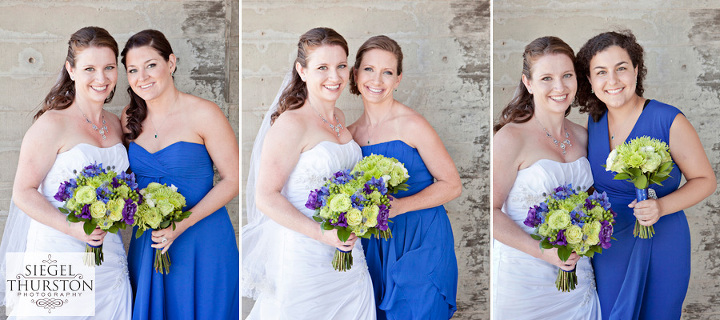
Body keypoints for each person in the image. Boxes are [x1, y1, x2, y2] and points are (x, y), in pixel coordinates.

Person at [577, 30, 716, 320]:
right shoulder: (593, 122)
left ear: (637, 70)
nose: (612, 81)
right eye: (601, 72)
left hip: (663, 238)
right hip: (611, 242)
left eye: (621, 69)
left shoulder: (669, 119)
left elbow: (705, 181)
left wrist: (661, 207)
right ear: (590, 80)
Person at [241, 27, 374, 319]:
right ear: (302, 71)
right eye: (322, 67)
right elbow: (265, 196)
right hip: (305, 259)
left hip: (349, 254)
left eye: (341, 66)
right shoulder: (291, 124)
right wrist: (322, 234)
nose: (335, 77)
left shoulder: (339, 118)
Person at [0, 26, 132, 319]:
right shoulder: (51, 124)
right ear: (71, 70)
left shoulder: (117, 124)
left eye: (109, 67)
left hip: (107, 252)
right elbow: (23, 192)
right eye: (89, 69)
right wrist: (72, 228)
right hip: (58, 252)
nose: (102, 79)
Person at [120, 29, 239, 320]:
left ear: (171, 63)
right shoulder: (128, 118)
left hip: (203, 237)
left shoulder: (204, 113)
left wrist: (182, 224)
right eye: (133, 70)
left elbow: (234, 179)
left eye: (151, 65)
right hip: (150, 240)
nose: (142, 77)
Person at [347, 35, 461, 319]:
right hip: (374, 243)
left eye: (387, 72)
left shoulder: (413, 125)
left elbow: (452, 185)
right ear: (355, 74)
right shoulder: (349, 136)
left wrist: (400, 207)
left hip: (420, 237)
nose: (377, 79)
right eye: (369, 69)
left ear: (398, 79)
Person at [492, 36, 601, 319]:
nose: (559, 87)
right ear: (528, 83)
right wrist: (543, 251)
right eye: (546, 78)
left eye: (567, 76)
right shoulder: (510, 138)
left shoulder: (584, 136)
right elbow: (489, 211)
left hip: (577, 275)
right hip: (524, 280)